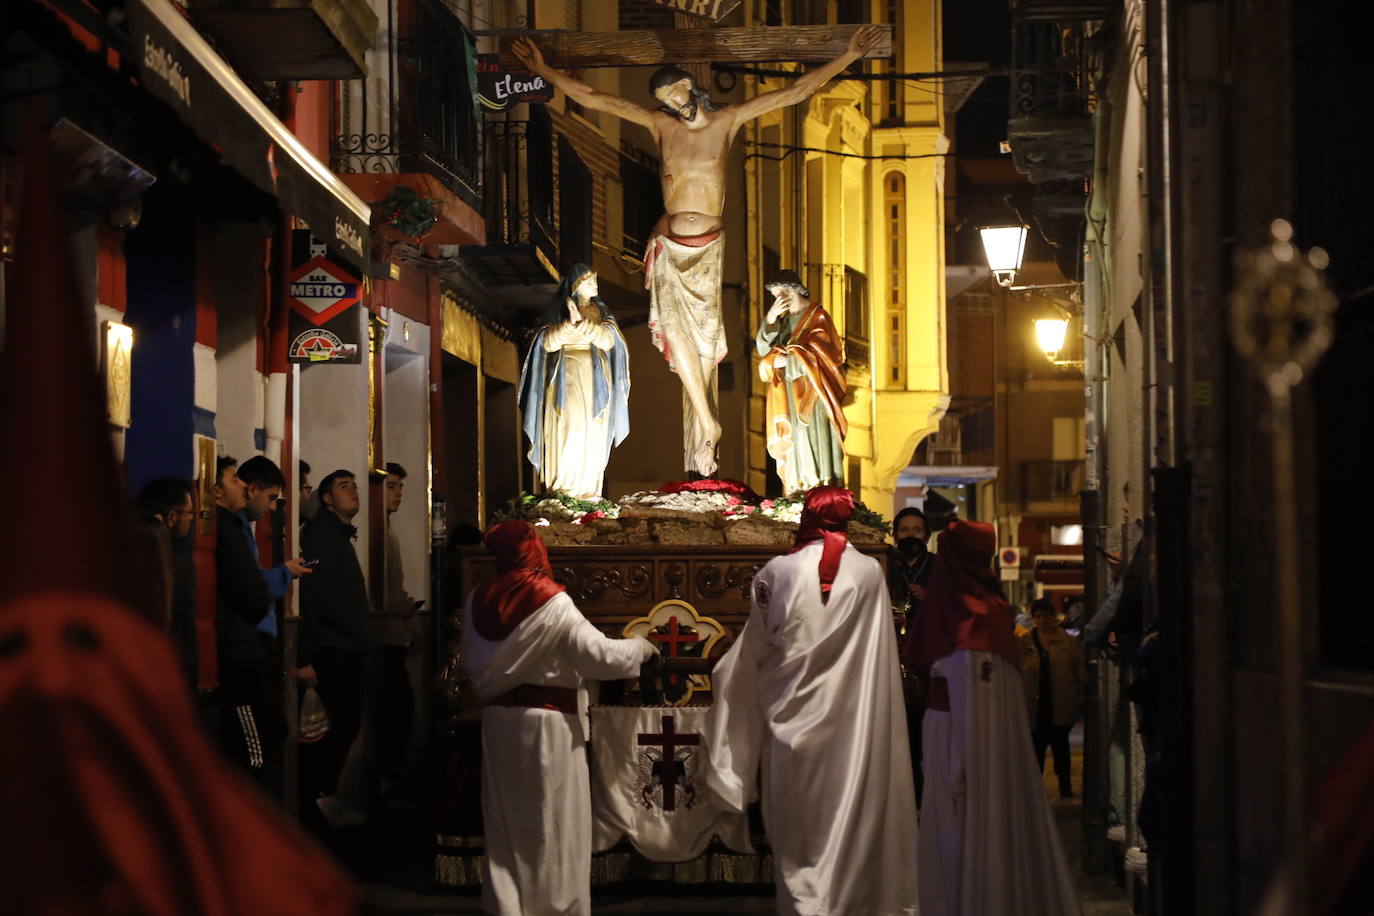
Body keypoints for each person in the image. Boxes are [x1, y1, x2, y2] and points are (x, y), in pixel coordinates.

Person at [512, 28, 883, 476]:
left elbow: (795, 91)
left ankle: (707, 436)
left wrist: (848, 56)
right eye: (667, 100)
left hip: (706, 247)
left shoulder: (728, 121)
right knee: (674, 329)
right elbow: (596, 98)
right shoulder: (660, 125)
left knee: (706, 336)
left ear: (693, 86)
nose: (675, 104)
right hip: (669, 244)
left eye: (678, 93)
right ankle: (706, 420)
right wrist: (542, 70)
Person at [705, 486, 918, 915]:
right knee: (853, 824)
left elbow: (754, 652)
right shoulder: (870, 573)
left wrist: (726, 678)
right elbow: (879, 654)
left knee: (798, 833)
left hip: (792, 731)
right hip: (856, 731)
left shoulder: (777, 573)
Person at [462, 520, 657, 916]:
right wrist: (641, 648)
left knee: (505, 823)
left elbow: (470, 662)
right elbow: (599, 657)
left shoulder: (476, 600)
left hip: (499, 723)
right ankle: (554, 907)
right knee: (554, 823)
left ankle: (508, 906)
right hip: (548, 726)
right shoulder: (551, 600)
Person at [902, 519, 1080, 916]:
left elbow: (969, 697)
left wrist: (958, 764)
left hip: (957, 743)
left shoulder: (971, 616)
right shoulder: (988, 608)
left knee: (960, 834)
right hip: (959, 737)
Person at [215, 455, 311, 796]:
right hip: (240, 655)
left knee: (269, 738)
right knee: (254, 755)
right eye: (271, 498)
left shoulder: (237, 528)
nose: (240, 484)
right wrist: (284, 573)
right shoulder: (226, 529)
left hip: (251, 650)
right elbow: (253, 592)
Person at [518, 264, 630, 499]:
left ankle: (588, 488)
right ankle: (565, 487)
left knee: (594, 432)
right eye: (589, 281)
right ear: (577, 285)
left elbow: (610, 341)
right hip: (566, 377)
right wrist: (569, 325)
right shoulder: (559, 313)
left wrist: (584, 323)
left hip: (596, 379)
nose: (595, 285)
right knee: (570, 430)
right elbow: (546, 344)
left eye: (595, 280)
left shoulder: (601, 314)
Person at [298, 469, 371, 823]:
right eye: (344, 487)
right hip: (333, 647)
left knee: (345, 725)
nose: (354, 492)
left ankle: (325, 798)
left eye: (355, 486)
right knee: (334, 728)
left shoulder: (337, 535)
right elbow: (318, 594)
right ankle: (318, 801)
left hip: (346, 644)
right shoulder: (321, 536)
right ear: (326, 499)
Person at [755, 270, 847, 494]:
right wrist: (770, 319)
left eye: (779, 295)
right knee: (795, 443)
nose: (778, 302)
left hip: (815, 392)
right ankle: (797, 488)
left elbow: (827, 354)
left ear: (790, 292)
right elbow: (764, 349)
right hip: (788, 394)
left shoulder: (818, 317)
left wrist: (793, 360)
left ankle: (822, 489)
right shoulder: (784, 323)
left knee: (813, 438)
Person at [888, 505, 934, 804]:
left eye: (916, 530)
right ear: (894, 534)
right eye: (904, 530)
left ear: (927, 535)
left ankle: (923, 795)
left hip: (927, 660)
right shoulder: (885, 564)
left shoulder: (939, 567)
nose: (910, 536)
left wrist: (931, 598)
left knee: (923, 731)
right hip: (890, 655)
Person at [1018, 597, 1085, 798]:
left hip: (1059, 702)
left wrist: (1078, 697)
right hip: (1035, 705)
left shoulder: (1066, 641)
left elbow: (1078, 671)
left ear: (1053, 617)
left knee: (1061, 748)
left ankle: (1065, 787)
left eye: (1046, 616)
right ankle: (1035, 792)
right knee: (1036, 749)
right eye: (1037, 616)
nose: (1042, 621)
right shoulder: (1025, 643)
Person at [381, 461, 420, 790]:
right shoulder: (379, 532)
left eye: (400, 487)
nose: (398, 493)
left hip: (395, 631)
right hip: (385, 635)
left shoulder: (388, 531)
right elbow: (385, 591)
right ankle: (388, 779)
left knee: (401, 709)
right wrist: (405, 606)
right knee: (394, 711)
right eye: (391, 486)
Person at [138, 476, 198, 688]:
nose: (192, 521)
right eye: (190, 513)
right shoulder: (175, 562)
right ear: (171, 517)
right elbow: (182, 625)